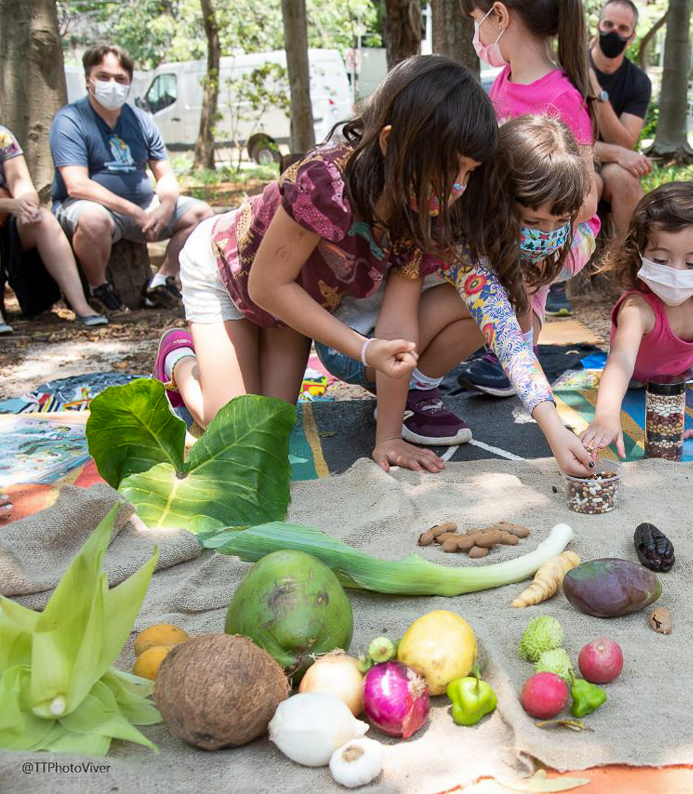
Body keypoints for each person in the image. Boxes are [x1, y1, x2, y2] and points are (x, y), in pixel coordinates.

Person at [154, 56, 593, 477]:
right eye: (448, 170)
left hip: (292, 304)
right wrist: (362, 350)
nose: (458, 188)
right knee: (227, 429)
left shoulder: (422, 215)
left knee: (267, 429)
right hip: (229, 274)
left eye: (469, 172)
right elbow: (266, 287)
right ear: (390, 143)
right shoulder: (324, 183)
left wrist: (387, 438)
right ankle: (178, 358)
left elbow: (406, 324)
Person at [314, 114, 589, 449]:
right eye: (533, 220)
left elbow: (516, 329)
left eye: (560, 221)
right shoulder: (459, 243)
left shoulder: (493, 237)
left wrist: (533, 388)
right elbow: (506, 334)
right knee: (486, 307)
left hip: (392, 341)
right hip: (355, 346)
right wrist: (554, 430)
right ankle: (409, 397)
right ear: (498, 199)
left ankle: (415, 388)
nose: (547, 234)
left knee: (502, 305)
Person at [457, 0, 601, 396]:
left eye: (476, 21)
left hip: (563, 233)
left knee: (517, 267)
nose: (477, 35)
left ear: (499, 16)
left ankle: (517, 355)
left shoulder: (561, 96)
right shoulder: (504, 80)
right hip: (513, 225)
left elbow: (585, 200)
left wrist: (537, 216)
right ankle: (502, 345)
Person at [579, 181, 693, 459]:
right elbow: (620, 362)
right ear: (639, 252)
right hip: (636, 377)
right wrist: (606, 417)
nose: (676, 272)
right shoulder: (637, 308)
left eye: (692, 264)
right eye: (660, 259)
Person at [50, 44, 213, 314]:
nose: (112, 85)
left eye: (120, 78)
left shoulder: (140, 120)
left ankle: (161, 282)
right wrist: (133, 211)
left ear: (129, 83)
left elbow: (166, 176)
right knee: (94, 220)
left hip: (143, 207)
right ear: (88, 79)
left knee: (202, 213)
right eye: (103, 77)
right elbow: (76, 184)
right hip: (90, 208)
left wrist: (166, 206)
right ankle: (99, 289)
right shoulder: (70, 120)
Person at [0, 125, 107, 328]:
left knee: (44, 220)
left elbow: (23, 186)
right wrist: (8, 204)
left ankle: (81, 306)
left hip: (7, 223)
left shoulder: (2, 136)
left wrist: (27, 204)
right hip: (5, 209)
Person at [588, 0, 653, 236]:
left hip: (609, 165)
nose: (614, 32)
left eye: (622, 28)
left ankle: (626, 264)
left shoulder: (638, 82)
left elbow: (624, 141)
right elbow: (564, 143)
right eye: (608, 24)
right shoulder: (570, 68)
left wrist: (597, 92)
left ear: (632, 36)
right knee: (589, 184)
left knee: (626, 178)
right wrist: (618, 153)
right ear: (598, 26)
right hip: (575, 160)